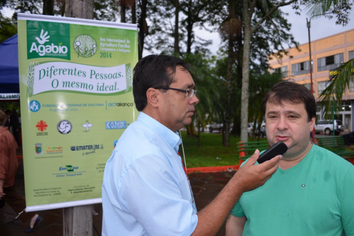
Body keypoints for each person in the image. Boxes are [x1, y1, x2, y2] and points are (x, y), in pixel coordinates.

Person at [101, 55, 281, 236]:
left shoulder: (152, 143)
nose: (195, 99)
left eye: (193, 91)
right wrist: (237, 185)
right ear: (154, 97)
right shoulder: (145, 158)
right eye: (186, 91)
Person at [225, 81, 354, 236]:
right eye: (273, 116)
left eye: (292, 116)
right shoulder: (249, 168)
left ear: (311, 122)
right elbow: (236, 220)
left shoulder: (344, 174)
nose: (281, 125)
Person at [0, 109, 42, 232]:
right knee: (12, 197)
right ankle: (33, 216)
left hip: (2, 176)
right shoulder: (6, 134)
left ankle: (33, 216)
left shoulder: (0, 137)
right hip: (7, 174)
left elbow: (1, 161)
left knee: (12, 197)